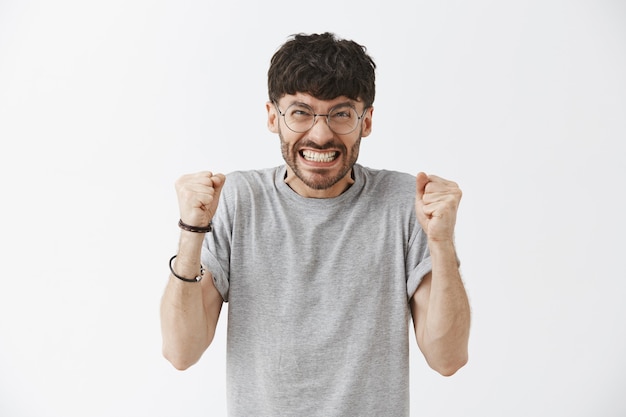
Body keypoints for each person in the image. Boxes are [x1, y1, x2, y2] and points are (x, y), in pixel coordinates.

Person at [160, 32, 470, 417]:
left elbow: (448, 358)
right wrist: (191, 232)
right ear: (274, 117)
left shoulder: (405, 203)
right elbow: (181, 351)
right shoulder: (237, 199)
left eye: (341, 113)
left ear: (366, 120)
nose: (321, 135)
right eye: (301, 112)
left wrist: (441, 242)